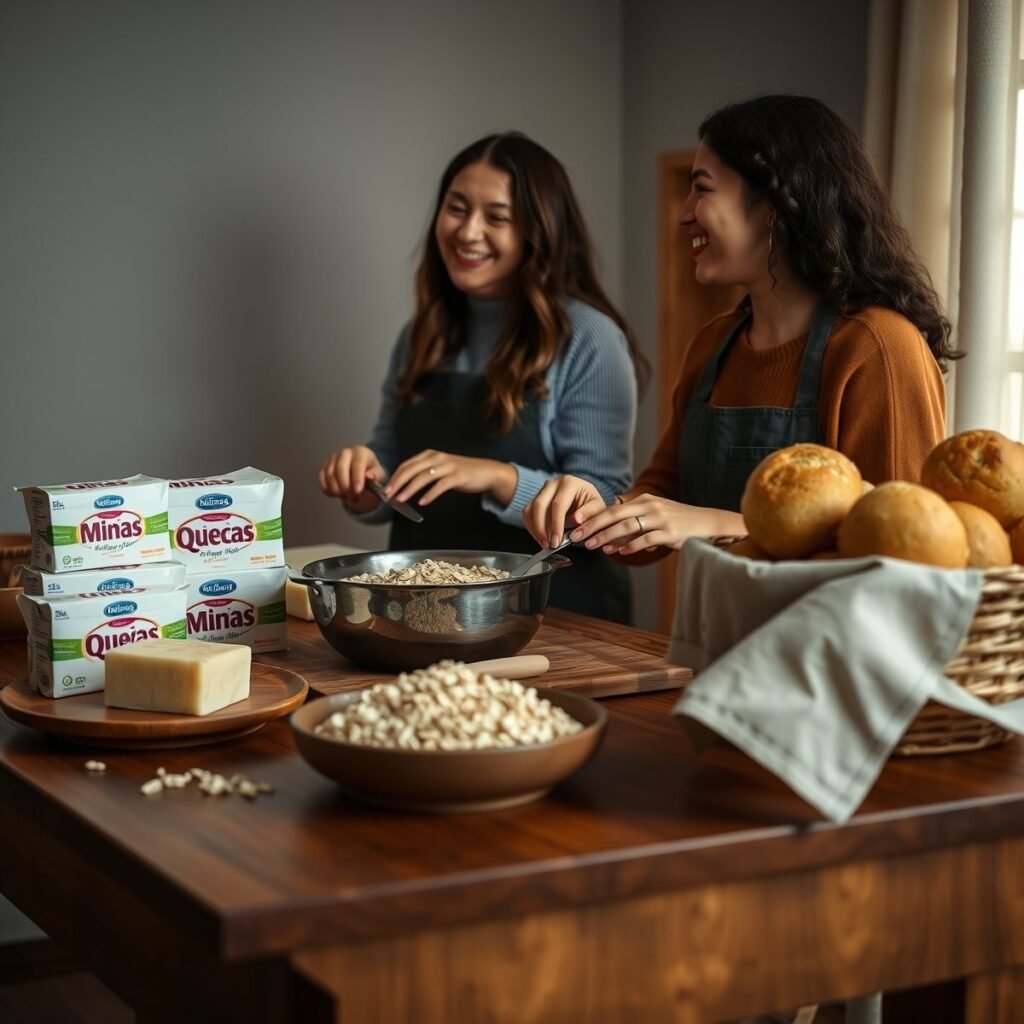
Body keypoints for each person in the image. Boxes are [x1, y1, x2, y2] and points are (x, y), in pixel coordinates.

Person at [524, 94, 955, 564]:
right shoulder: (713, 344)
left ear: (775, 202)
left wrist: (717, 524)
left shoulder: (879, 348)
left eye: (702, 189)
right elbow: (664, 495)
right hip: (710, 637)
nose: (683, 213)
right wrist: (599, 514)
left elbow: (904, 553)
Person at [319, 132, 645, 622]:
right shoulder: (422, 335)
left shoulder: (589, 337)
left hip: (556, 618)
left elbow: (598, 504)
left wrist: (494, 477)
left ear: (540, 232)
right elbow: (389, 476)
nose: (468, 232)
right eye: (456, 208)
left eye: (497, 217)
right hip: (429, 618)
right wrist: (364, 480)